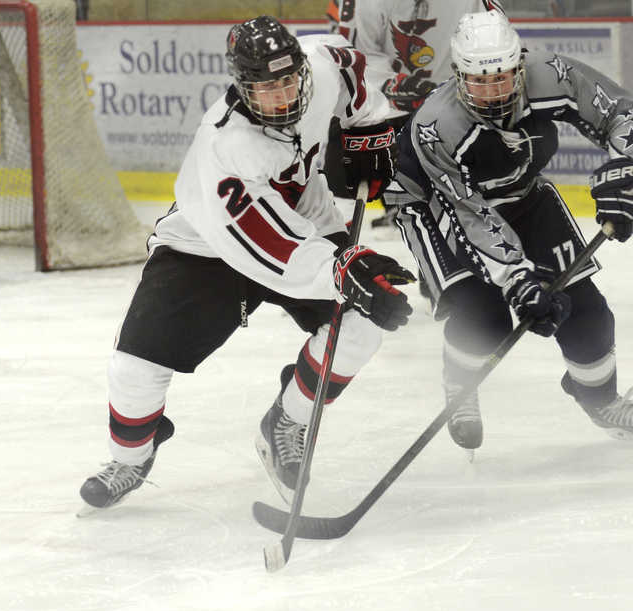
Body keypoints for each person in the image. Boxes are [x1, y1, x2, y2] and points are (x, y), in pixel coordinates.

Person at [78, 16, 416, 511]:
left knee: (360, 328)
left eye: (287, 81)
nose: (282, 97)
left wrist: (373, 130)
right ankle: (130, 458)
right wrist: (346, 270)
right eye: (266, 88)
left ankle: (288, 420)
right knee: (133, 371)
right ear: (242, 88)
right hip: (207, 248)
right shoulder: (225, 145)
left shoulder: (319, 68)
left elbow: (355, 73)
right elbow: (269, 246)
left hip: (305, 222)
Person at [385, 11, 633, 450]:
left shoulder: (551, 75)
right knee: (485, 318)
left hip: (520, 192)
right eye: (479, 82)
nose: (492, 92)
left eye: (502, 77)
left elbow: (626, 115)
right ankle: (461, 385)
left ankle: (601, 400)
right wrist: (519, 279)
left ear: (519, 65)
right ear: (458, 75)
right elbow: (469, 214)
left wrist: (628, 176)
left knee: (588, 314)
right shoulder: (436, 125)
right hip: (433, 204)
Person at [334, 0, 504, 235]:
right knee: (386, 158)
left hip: (453, 94)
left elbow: (494, 33)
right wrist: (392, 85)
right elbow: (355, 52)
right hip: (390, 100)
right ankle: (398, 205)